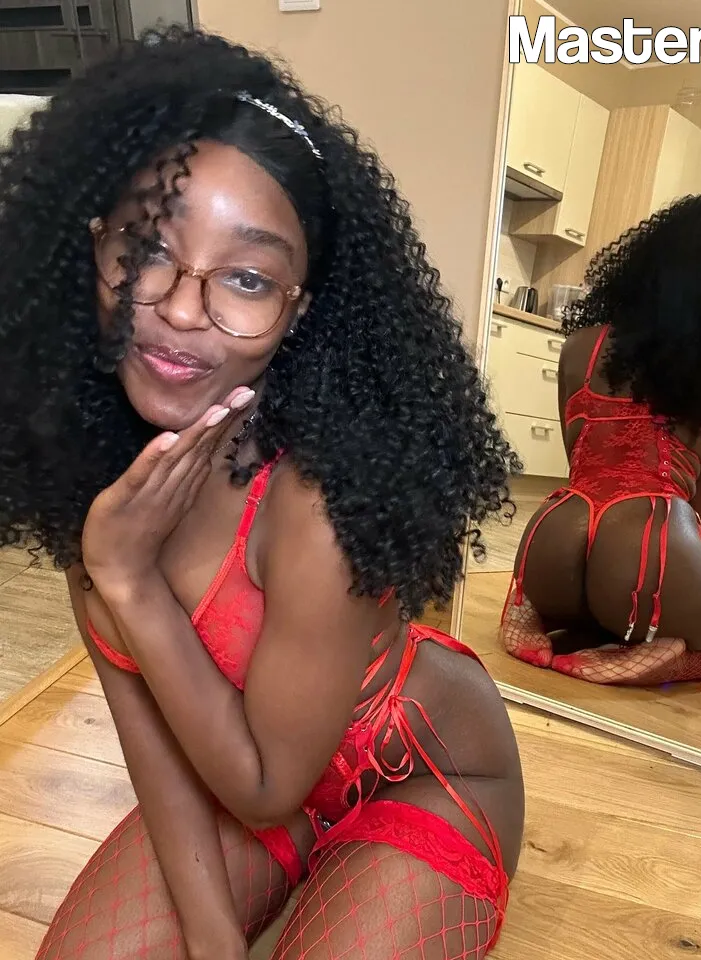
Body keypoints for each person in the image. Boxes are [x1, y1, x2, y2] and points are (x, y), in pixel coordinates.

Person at [0, 28, 525, 960]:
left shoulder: (317, 499)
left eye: (246, 277)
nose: (180, 307)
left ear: (298, 309)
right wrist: (212, 938)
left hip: (419, 773)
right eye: (146, 247)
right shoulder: (92, 474)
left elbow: (265, 786)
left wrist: (129, 579)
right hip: (236, 775)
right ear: (93, 248)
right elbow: (156, 752)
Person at [500, 194, 701, 691]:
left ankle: (532, 614)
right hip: (647, 555)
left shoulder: (580, 346)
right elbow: (700, 504)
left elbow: (579, 457)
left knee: (599, 591)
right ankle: (664, 658)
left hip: (549, 546)